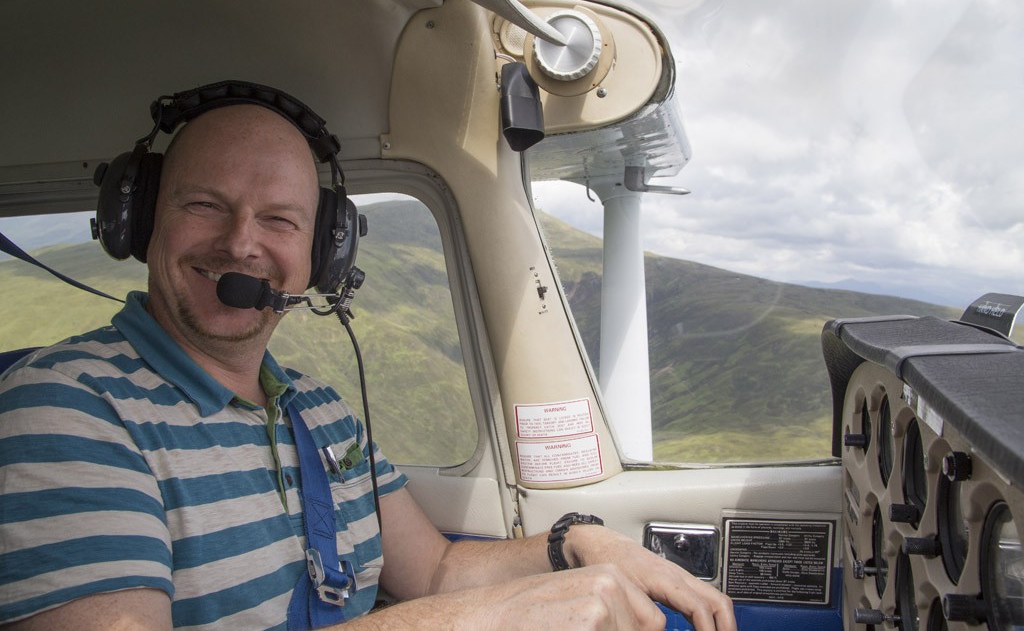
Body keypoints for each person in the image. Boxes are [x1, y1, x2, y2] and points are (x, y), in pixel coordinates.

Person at [0, 101, 736, 630]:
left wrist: (576, 539)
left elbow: (439, 570)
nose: (240, 243)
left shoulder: (316, 407)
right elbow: (455, 602)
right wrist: (476, 619)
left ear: (323, 254)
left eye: (280, 219)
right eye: (203, 205)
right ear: (141, 219)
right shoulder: (67, 410)